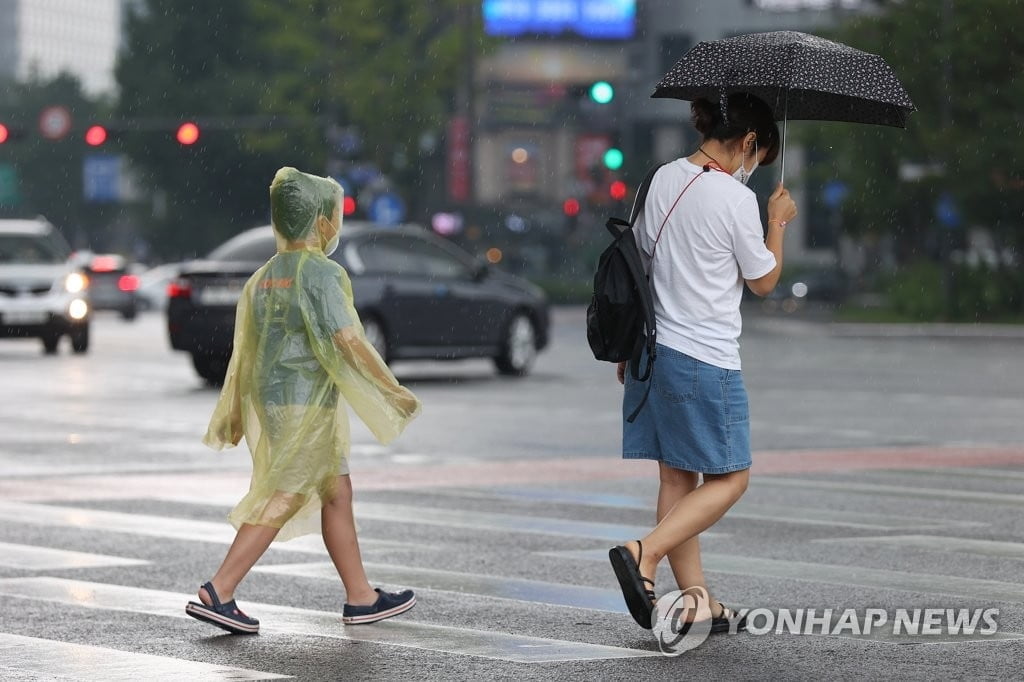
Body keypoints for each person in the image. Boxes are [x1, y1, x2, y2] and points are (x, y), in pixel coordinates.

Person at [186, 167, 422, 634]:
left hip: (277, 403)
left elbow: (245, 355)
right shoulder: (322, 274)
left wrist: (235, 410)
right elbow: (348, 340)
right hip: (306, 405)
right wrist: (389, 388)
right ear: (318, 220)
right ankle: (221, 589)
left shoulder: (265, 277)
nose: (335, 223)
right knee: (286, 493)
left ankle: (361, 596)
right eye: (332, 214)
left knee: (337, 492)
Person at [608, 93, 798, 633]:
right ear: (749, 142)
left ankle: (696, 600)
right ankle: (642, 552)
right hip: (704, 359)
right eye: (758, 157)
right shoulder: (734, 200)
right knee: (731, 479)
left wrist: (627, 350)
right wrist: (776, 220)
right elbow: (763, 280)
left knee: (677, 478)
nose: (754, 166)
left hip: (654, 351)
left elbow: (639, 267)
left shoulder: (659, 179)